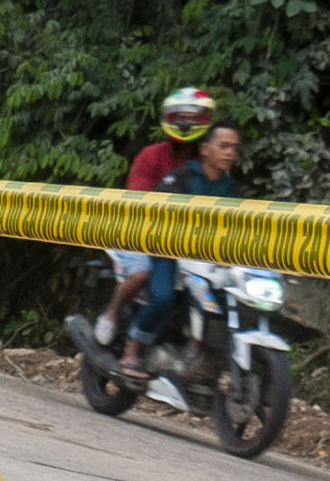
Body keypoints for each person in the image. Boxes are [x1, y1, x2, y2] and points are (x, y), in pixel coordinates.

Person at [123, 122, 247, 373]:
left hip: (209, 260)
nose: (230, 153)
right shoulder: (179, 179)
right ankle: (131, 351)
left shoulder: (233, 190)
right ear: (205, 149)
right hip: (168, 251)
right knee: (162, 298)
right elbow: (158, 217)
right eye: (223, 146)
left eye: (234, 148)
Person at [103, 86, 219, 334]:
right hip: (139, 232)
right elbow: (137, 202)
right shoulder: (151, 156)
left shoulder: (210, 163)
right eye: (181, 117)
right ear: (169, 119)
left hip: (189, 240)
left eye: (193, 118)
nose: (186, 123)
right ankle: (111, 314)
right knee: (142, 274)